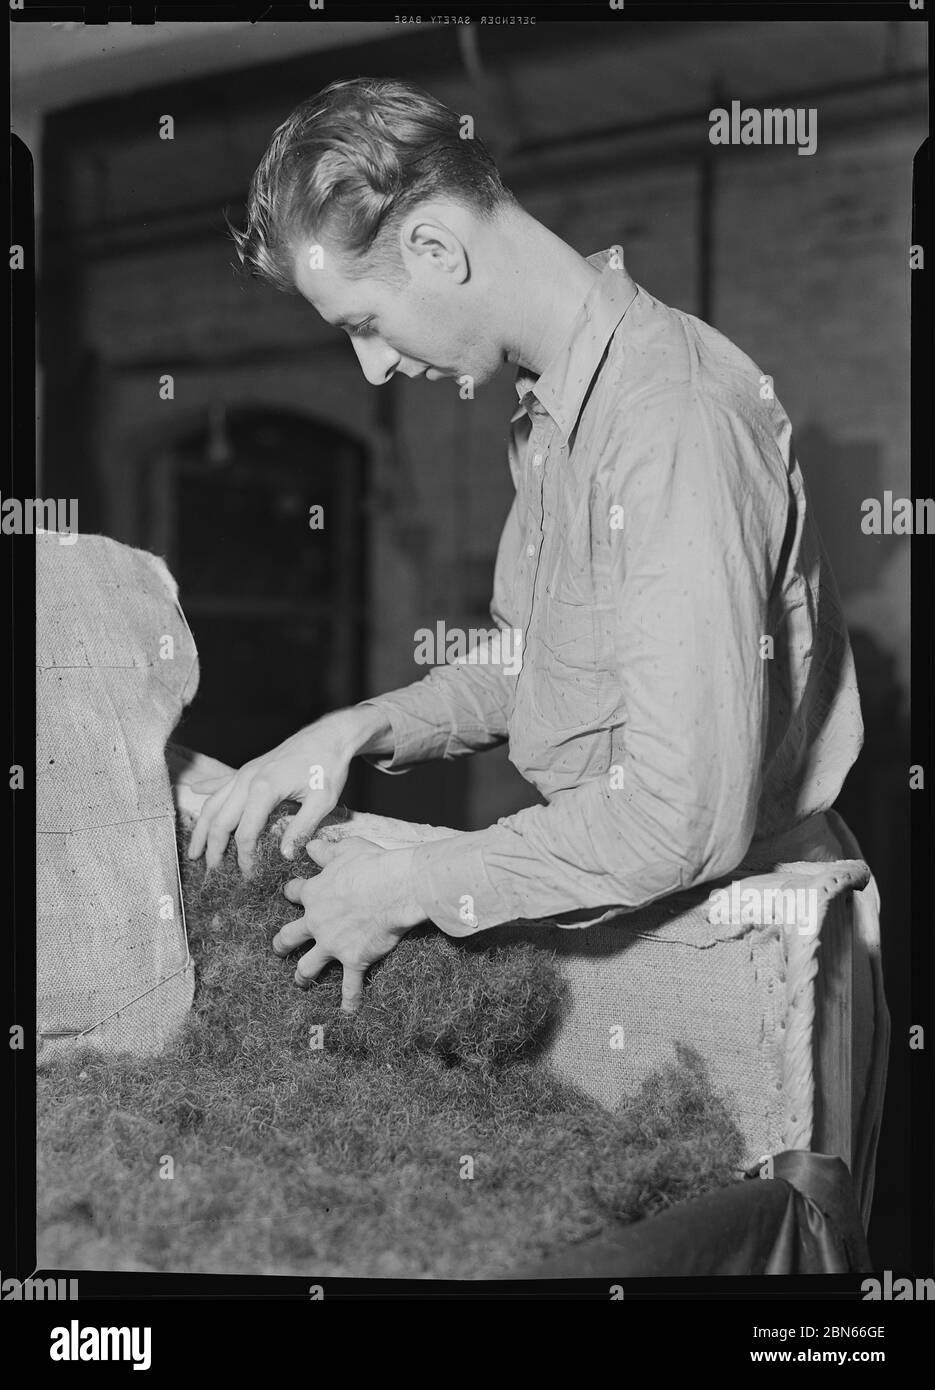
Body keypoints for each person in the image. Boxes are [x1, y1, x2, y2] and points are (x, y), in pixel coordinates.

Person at [187, 77, 863, 1013]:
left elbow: (676, 824)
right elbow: (533, 662)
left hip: (744, 953)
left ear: (435, 247)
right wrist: (358, 729)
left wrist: (405, 887)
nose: (374, 364)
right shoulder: (554, 414)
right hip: (629, 912)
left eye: (364, 324)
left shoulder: (669, 423)